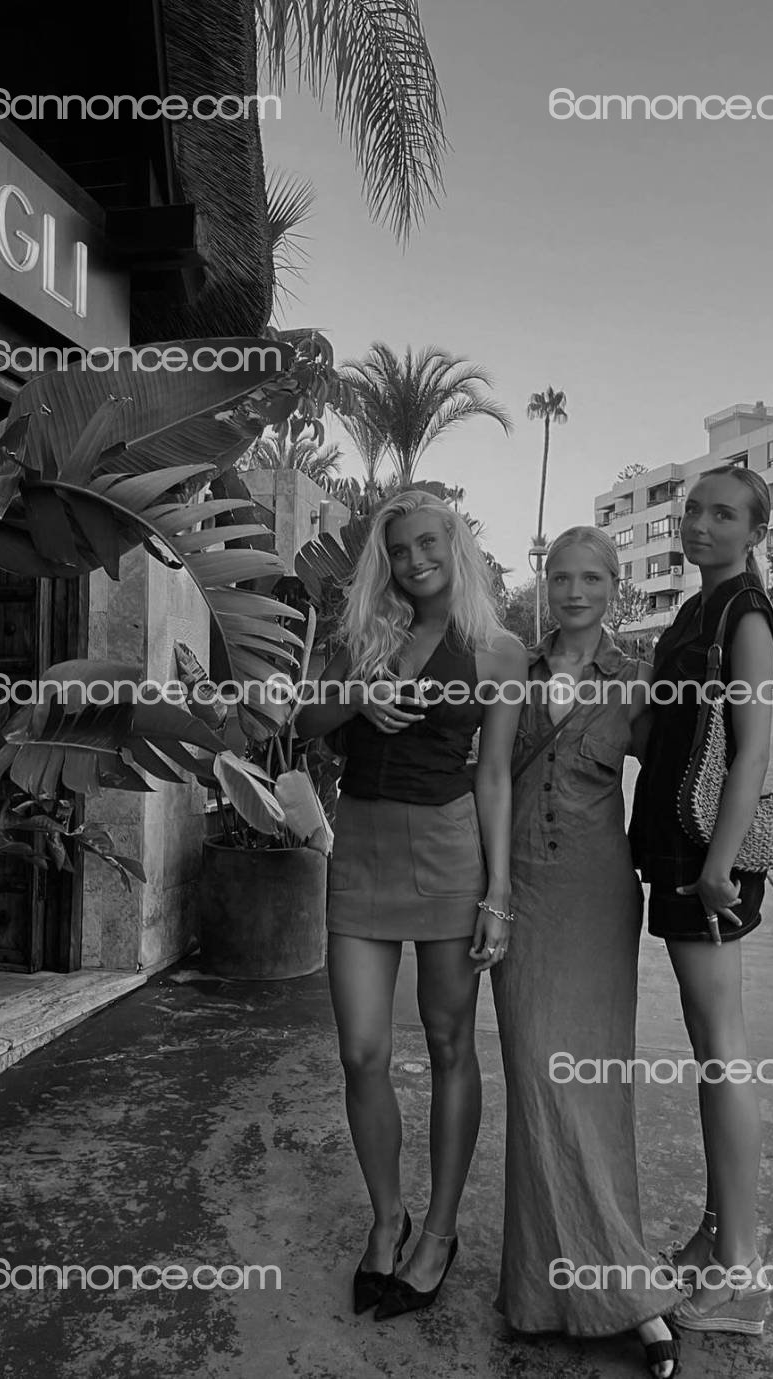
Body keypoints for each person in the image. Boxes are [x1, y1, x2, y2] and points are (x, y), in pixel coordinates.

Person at [296, 489, 526, 1320]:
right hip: (362, 847)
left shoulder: (498, 649)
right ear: (384, 560)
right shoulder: (364, 634)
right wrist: (358, 696)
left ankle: (438, 1231)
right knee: (362, 1050)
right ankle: (386, 1216)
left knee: (449, 1044)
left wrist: (499, 890)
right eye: (399, 549)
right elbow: (305, 721)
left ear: (455, 546)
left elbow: (494, 775)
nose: (415, 559)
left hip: (449, 848)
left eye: (429, 543)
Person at [491, 526, 682, 1379]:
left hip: (599, 898)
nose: (574, 591)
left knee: (593, 1087)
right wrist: (492, 891)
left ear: (614, 587)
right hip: (522, 893)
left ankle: (612, 1292)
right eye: (561, 576)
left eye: (591, 578)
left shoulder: (635, 683)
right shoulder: (515, 669)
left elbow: (681, 774)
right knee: (539, 1077)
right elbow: (485, 777)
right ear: (547, 584)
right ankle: (548, 1293)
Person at [629, 465, 773, 1336]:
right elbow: (660, 731)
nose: (700, 524)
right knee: (707, 1046)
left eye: (724, 514)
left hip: (706, 859)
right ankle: (714, 1237)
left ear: (755, 532)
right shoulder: (695, 611)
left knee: (723, 1049)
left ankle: (742, 1271)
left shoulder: (745, 613)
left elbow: (752, 748)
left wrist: (721, 867)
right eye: (694, 509)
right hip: (677, 847)